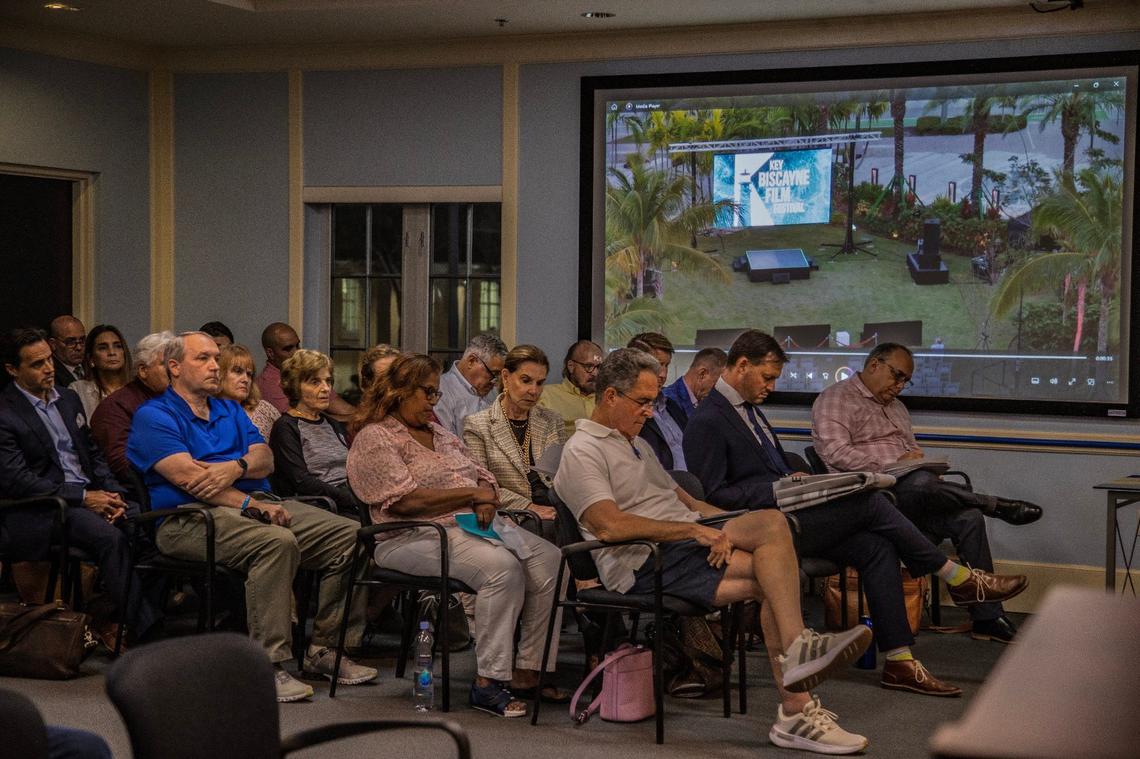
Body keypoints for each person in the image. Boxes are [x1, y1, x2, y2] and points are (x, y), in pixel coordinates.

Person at [553, 347, 873, 755]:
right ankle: (797, 702)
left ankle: (798, 672)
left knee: (771, 528)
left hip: (682, 541)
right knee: (770, 577)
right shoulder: (583, 450)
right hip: (644, 561)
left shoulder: (634, 444)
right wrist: (694, 531)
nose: (650, 412)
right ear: (611, 396)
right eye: (643, 402)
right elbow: (609, 525)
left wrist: (728, 526)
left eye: (654, 402)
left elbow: (690, 503)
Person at [684, 330, 1028, 697]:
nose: (772, 386)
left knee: (877, 545)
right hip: (764, 528)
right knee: (868, 500)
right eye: (767, 377)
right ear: (741, 366)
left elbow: (763, 471)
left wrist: (789, 479)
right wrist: (777, 487)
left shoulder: (748, 411)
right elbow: (715, 495)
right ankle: (957, 577)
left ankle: (899, 661)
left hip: (786, 511)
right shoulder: (709, 419)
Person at [126, 331, 376, 702]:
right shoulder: (154, 416)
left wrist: (233, 467)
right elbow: (193, 481)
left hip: (254, 500)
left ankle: (324, 649)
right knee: (276, 541)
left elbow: (265, 458)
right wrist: (248, 502)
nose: (215, 365)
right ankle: (268, 665)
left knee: (353, 535)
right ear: (174, 367)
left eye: (216, 357)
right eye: (204, 359)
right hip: (186, 519)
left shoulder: (228, 408)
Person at [347, 352, 563, 718]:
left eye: (436, 394)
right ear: (400, 391)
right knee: (502, 569)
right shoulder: (377, 437)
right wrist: (471, 495)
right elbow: (405, 502)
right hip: (409, 535)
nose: (434, 401)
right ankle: (488, 682)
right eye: (427, 393)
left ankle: (527, 669)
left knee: (550, 559)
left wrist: (483, 497)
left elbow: (481, 474)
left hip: (468, 525)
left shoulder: (439, 433)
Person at [812, 342, 1043, 644]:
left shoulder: (896, 408)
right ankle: (993, 503)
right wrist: (892, 465)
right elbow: (834, 452)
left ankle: (987, 618)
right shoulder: (836, 398)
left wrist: (917, 461)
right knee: (922, 483)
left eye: (906, 381)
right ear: (874, 366)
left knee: (967, 517)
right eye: (897, 376)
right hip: (869, 497)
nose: (900, 386)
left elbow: (909, 449)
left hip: (909, 494)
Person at [0, 327, 158, 648]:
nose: (48, 368)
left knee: (151, 526)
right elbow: (17, 480)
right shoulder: (5, 412)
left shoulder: (68, 399)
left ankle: (118, 618)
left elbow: (94, 455)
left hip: (89, 497)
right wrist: (86, 498)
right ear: (12, 370)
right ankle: (149, 631)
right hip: (45, 508)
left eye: (49, 360)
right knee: (111, 539)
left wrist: (113, 494)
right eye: (36, 364)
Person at [463, 344, 567, 523]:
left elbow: (566, 473)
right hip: (514, 514)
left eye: (540, 383)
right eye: (526, 380)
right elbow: (482, 485)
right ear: (506, 377)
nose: (534, 391)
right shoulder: (478, 425)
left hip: (558, 505)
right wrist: (529, 507)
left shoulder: (552, 420)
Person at [268, 349, 362, 518]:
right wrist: (349, 498)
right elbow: (301, 481)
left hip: (352, 498)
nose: (326, 388)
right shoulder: (286, 427)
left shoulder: (332, 423)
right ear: (296, 386)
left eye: (328, 381)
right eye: (315, 382)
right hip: (322, 506)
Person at [91, 331, 174, 481]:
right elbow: (122, 464)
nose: (174, 370)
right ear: (143, 371)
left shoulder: (182, 400)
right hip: (149, 489)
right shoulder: (116, 407)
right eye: (164, 364)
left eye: (176, 363)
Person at [257, 322, 356, 421]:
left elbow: (345, 409)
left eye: (297, 345)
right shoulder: (269, 384)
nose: (297, 352)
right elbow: (299, 420)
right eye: (288, 348)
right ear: (270, 353)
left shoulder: (306, 373)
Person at [627, 332, 687, 470]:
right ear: (636, 366)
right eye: (658, 365)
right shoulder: (630, 412)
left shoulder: (671, 406)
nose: (663, 374)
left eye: (666, 365)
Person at [434, 333, 507, 439]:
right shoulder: (441, 391)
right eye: (493, 373)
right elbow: (448, 445)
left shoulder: (492, 392)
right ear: (471, 361)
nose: (495, 381)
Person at [539, 339, 602, 439]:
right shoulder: (546, 395)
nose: (595, 373)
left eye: (599, 367)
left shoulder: (607, 399)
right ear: (571, 366)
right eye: (588, 366)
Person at [217, 344, 280, 441]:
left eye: (249, 374)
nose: (245, 379)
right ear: (220, 374)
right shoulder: (205, 412)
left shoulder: (264, 409)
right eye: (238, 371)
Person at [71, 324, 132, 419]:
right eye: (103, 348)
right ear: (91, 358)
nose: (112, 352)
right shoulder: (78, 390)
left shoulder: (137, 388)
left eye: (118, 346)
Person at [663, 346, 726, 418]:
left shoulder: (703, 402)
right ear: (702, 374)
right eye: (717, 383)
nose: (719, 390)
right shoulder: (667, 403)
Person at [48, 315, 87, 387]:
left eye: (82, 340)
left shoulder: (92, 367)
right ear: (53, 344)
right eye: (70, 342)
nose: (79, 347)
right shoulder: (49, 374)